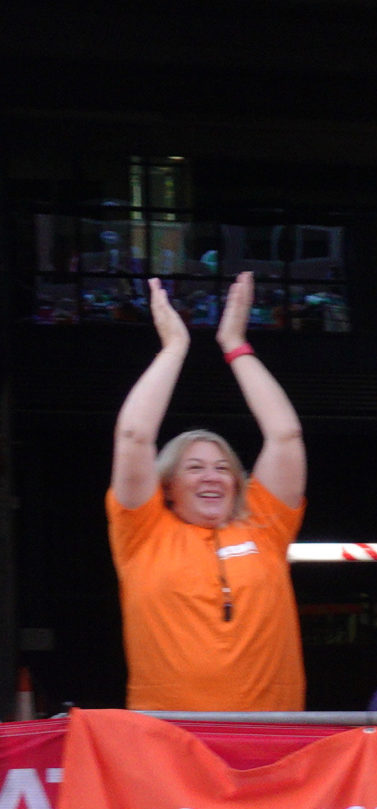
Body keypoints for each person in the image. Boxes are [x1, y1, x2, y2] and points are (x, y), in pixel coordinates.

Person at [106, 272, 308, 711]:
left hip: (270, 737)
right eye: (194, 468)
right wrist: (174, 348)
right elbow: (134, 436)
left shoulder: (263, 524)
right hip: (168, 742)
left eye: (223, 468)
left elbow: (285, 435)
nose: (212, 476)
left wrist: (235, 345)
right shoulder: (143, 532)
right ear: (169, 488)